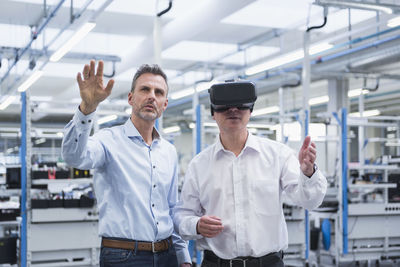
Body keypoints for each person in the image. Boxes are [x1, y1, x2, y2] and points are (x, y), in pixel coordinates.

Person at [173, 81, 327, 267]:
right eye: (225, 107)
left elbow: (310, 201)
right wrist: (196, 225)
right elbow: (182, 215)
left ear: (250, 111)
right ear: (213, 114)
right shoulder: (199, 165)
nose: (233, 110)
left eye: (240, 106)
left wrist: (308, 172)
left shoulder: (278, 155)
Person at [62, 60, 191, 267]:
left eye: (158, 92)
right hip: (123, 257)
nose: (151, 96)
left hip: (167, 255)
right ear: (131, 98)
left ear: (164, 104)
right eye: (145, 89)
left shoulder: (168, 151)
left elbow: (171, 207)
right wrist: (87, 108)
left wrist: (183, 255)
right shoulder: (107, 140)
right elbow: (73, 156)